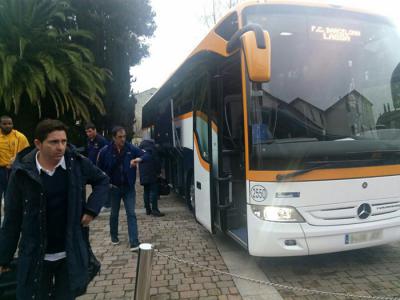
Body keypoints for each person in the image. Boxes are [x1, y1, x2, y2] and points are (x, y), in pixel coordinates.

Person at [0, 119, 109, 299]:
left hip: (70, 252)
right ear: (38, 144)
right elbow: (12, 218)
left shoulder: (76, 164)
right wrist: (4, 257)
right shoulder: (22, 173)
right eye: (54, 142)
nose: (60, 147)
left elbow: (102, 180)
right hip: (36, 256)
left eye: (64, 142)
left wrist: (91, 209)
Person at [97, 126, 149, 251]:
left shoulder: (130, 148)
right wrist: (105, 182)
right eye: (120, 137)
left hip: (128, 188)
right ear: (114, 137)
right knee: (114, 214)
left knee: (131, 214)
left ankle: (134, 242)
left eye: (124, 136)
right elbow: (99, 169)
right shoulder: (105, 151)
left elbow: (147, 154)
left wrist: (139, 159)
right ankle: (114, 236)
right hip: (113, 188)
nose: (123, 139)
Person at [0, 115, 29, 223]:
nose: (8, 126)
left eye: (10, 123)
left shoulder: (20, 137)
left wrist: (17, 160)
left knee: (11, 197)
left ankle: (10, 222)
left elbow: (27, 154)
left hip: (13, 171)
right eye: (5, 124)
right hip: (0, 171)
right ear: (0, 124)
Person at [139, 139, 165, 217]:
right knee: (154, 191)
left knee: (146, 191)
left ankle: (148, 209)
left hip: (143, 174)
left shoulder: (140, 150)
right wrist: (158, 172)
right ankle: (155, 210)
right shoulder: (152, 149)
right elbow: (156, 161)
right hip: (151, 172)